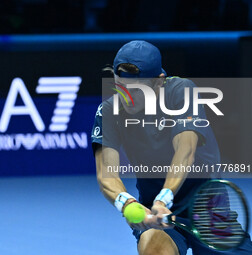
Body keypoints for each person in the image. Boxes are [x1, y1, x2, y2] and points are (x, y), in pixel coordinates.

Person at [91, 40, 252, 255]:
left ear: (159, 82)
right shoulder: (109, 111)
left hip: (207, 207)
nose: (126, 98)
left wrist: (164, 197)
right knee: (154, 248)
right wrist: (127, 204)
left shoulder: (182, 91)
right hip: (155, 213)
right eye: (120, 88)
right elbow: (106, 175)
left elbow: (185, 152)